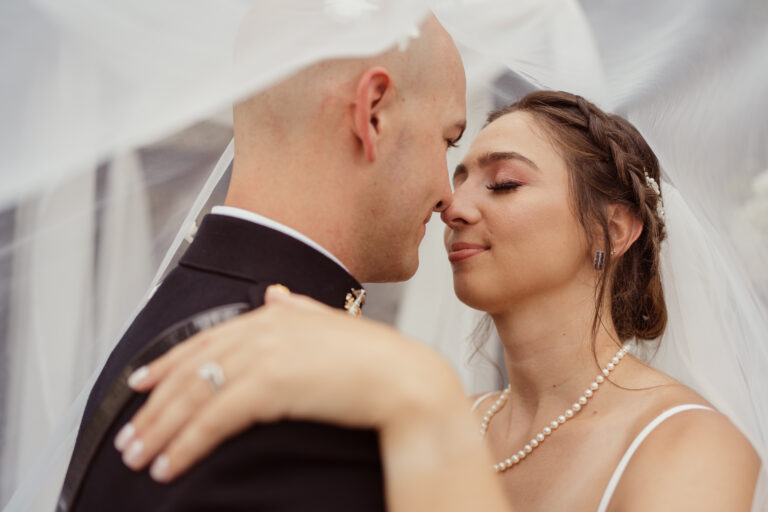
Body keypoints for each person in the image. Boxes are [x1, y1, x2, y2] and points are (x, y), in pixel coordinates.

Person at [119, 91, 761, 511]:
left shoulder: (691, 448)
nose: (454, 206)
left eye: (504, 183)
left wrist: (417, 392)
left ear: (614, 230)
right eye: (458, 174)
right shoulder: (445, 413)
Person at [56, 14, 467, 511]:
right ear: (373, 113)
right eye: (448, 141)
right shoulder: (295, 400)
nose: (449, 195)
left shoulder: (185, 306)